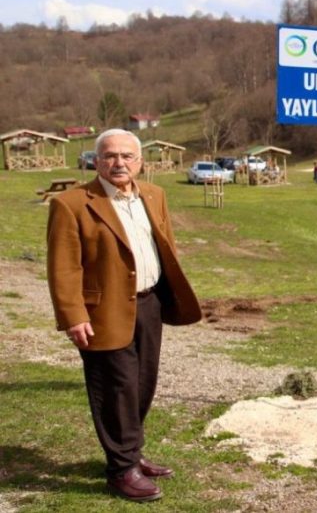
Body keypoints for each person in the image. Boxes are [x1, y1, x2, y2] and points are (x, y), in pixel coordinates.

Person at [46, 128, 202, 502]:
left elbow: (166, 245)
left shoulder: (154, 194)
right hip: (103, 310)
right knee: (115, 388)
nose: (119, 163)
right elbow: (63, 267)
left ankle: (131, 453)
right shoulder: (71, 203)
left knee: (142, 383)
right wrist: (73, 315)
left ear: (140, 162)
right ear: (96, 161)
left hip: (149, 304)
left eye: (127, 156)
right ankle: (121, 470)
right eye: (110, 156)